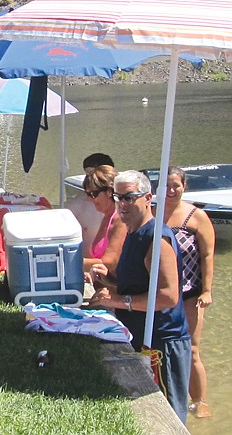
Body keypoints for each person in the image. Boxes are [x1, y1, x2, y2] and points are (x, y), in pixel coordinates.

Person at [89, 170, 191, 424]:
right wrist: (109, 281)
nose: (122, 204)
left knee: (167, 417)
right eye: (117, 197)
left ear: (147, 198)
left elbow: (168, 296)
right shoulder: (133, 232)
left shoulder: (156, 238)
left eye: (129, 197)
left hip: (162, 343)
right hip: (140, 334)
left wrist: (116, 301)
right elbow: (138, 284)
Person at [155, 166, 215, 419]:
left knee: (191, 350)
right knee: (159, 347)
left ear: (184, 187)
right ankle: (167, 397)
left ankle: (200, 402)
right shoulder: (152, 213)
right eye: (165, 186)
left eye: (175, 185)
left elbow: (207, 255)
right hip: (159, 294)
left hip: (191, 293)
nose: (170, 190)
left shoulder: (196, 216)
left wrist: (208, 291)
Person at [66, 153, 115, 257]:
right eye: (87, 175)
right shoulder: (77, 204)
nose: (88, 179)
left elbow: (110, 262)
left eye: (92, 175)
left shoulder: (121, 214)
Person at [81, 165, 127, 274]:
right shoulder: (106, 216)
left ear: (109, 191)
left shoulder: (120, 219)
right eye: (88, 194)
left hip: (115, 288)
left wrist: (69, 262)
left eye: (94, 194)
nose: (91, 199)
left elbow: (109, 263)